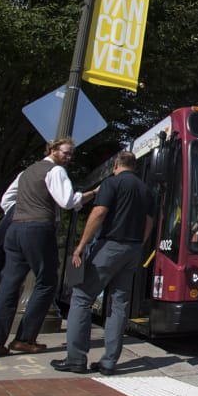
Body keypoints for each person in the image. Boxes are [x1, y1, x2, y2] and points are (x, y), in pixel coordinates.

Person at [0, 138, 96, 359]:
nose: (69, 157)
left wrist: (22, 214)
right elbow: (68, 201)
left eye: (72, 154)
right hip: (39, 230)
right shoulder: (56, 171)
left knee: (8, 285)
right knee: (46, 282)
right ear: (53, 150)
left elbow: (6, 201)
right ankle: (24, 339)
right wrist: (91, 194)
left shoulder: (25, 173)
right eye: (66, 153)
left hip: (14, 231)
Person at [51, 151, 154, 375]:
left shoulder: (112, 183)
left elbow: (98, 213)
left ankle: (76, 358)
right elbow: (149, 222)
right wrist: (138, 246)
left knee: (81, 297)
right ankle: (109, 362)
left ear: (116, 164)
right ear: (135, 167)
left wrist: (81, 245)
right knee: (119, 306)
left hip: (110, 246)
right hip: (132, 250)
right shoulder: (146, 190)